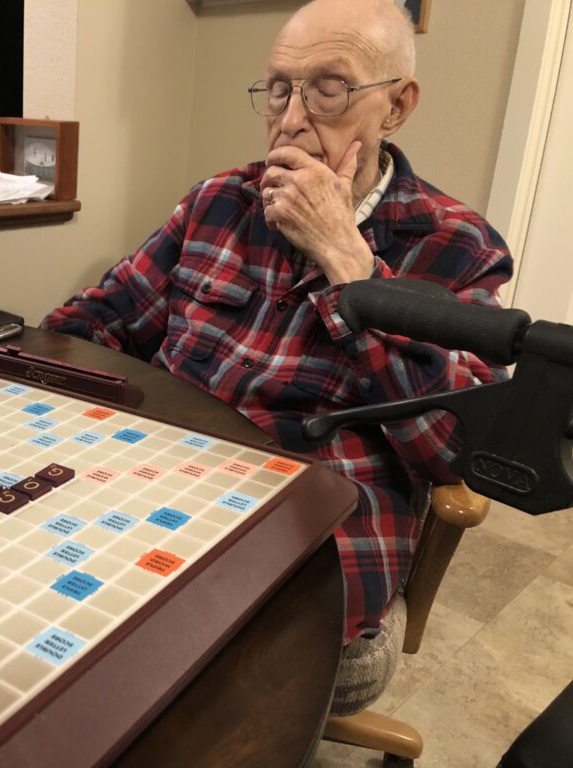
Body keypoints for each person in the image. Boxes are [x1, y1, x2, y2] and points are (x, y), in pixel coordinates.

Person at [41, 0, 513, 714]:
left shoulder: (457, 247)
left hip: (318, 526)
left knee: (178, 679)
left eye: (328, 89)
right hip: (161, 488)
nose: (291, 119)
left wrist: (350, 266)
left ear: (395, 109)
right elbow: (87, 325)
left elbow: (459, 449)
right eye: (280, 88)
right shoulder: (215, 204)